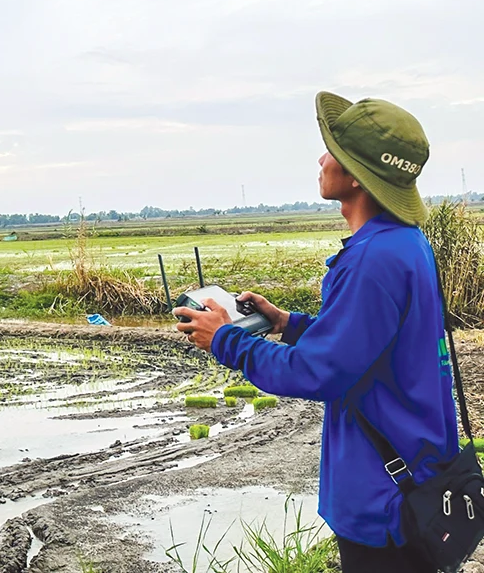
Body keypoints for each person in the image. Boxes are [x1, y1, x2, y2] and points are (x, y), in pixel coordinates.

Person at [173, 92, 458, 573]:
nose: (321, 159)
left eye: (331, 151)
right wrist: (287, 324)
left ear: (354, 175)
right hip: (414, 470)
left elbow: (319, 373)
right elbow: (367, 345)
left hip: (384, 492)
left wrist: (226, 339)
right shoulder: (403, 243)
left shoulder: (372, 259)